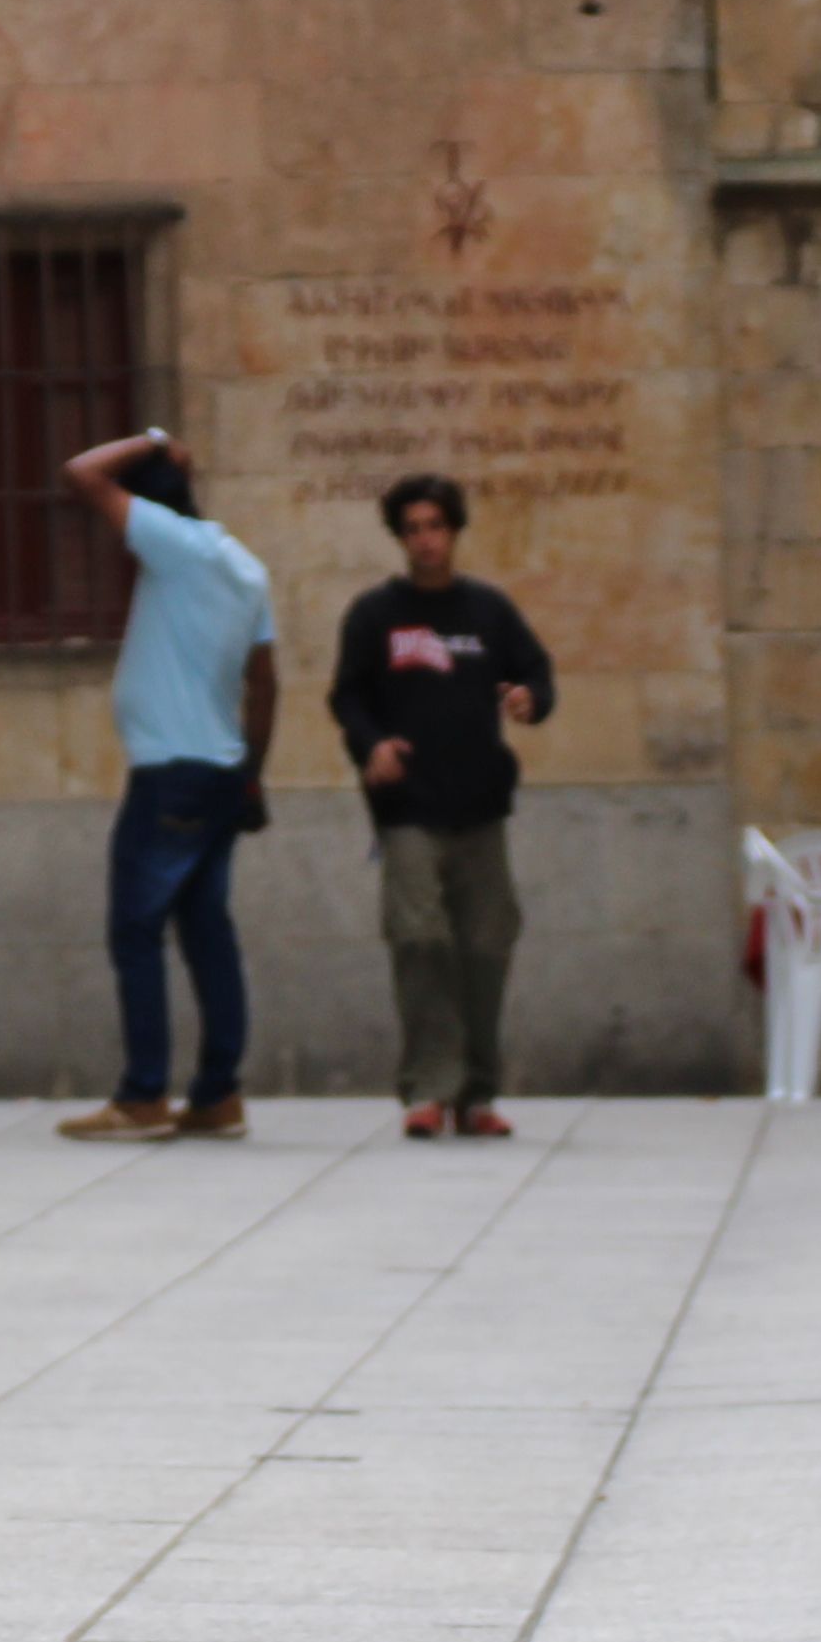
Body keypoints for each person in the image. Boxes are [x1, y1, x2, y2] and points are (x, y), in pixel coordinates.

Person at [58, 426, 276, 1144]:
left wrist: (154, 438)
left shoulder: (175, 546)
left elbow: (83, 473)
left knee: (136, 931)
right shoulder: (245, 567)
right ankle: (218, 1095)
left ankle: (144, 1095)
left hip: (169, 776)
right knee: (208, 933)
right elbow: (266, 684)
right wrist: (251, 776)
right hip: (219, 771)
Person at [327, 471, 555, 1142]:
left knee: (486, 944)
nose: (426, 540)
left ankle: (477, 1095)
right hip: (408, 811)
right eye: (413, 529)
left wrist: (528, 701)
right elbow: (347, 697)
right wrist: (372, 744)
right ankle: (428, 1089)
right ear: (399, 538)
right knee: (420, 939)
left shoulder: (487, 612)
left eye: (436, 526)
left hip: (481, 807)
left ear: (454, 532)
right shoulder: (375, 616)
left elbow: (538, 674)